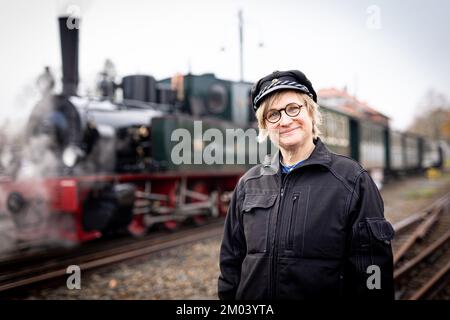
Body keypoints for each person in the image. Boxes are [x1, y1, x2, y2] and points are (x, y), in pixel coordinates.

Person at [218, 70, 395, 300]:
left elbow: (374, 270)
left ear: (311, 112)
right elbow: (230, 264)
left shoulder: (352, 180)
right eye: (273, 114)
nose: (285, 120)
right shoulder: (248, 185)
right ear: (265, 126)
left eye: (293, 108)